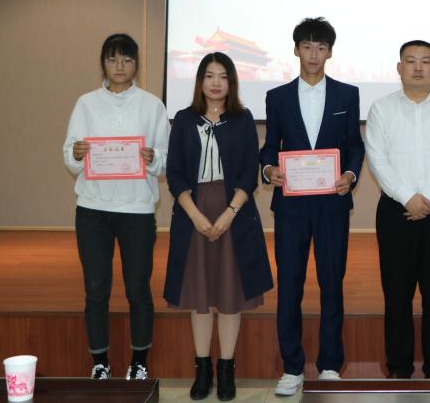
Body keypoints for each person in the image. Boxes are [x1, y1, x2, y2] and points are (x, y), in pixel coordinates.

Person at [259, 17, 365, 396]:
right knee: (290, 284)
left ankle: (330, 365)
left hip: (332, 204)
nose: (314, 54)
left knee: (331, 283)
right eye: (307, 46)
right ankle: (292, 367)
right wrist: (268, 169)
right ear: (296, 50)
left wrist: (350, 174)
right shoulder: (277, 97)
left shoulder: (347, 95)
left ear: (330, 52)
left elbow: (354, 145)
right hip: (291, 207)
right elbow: (269, 147)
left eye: (321, 47)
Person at [163, 52, 274, 401]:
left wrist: (228, 214)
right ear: (200, 81)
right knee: (199, 298)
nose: (215, 82)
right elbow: (175, 173)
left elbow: (248, 173)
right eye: (209, 75)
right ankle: (202, 369)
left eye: (222, 76)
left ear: (231, 82)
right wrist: (195, 216)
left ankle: (226, 369)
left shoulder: (243, 119)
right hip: (192, 214)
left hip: (233, 215)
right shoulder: (184, 119)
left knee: (229, 296)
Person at [62, 33, 170, 380]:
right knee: (96, 289)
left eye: (127, 59)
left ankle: (139, 362)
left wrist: (153, 159)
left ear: (137, 64)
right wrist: (75, 153)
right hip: (92, 209)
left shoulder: (152, 105)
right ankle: (100, 362)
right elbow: (69, 152)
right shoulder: (86, 104)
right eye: (112, 59)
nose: (120, 66)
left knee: (138, 289)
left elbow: (166, 160)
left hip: (137, 209)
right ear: (103, 64)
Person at [365, 40, 430, 379]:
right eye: (410, 61)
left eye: (425, 61)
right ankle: (399, 367)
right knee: (396, 294)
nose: (418, 67)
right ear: (399, 68)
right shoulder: (381, 109)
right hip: (395, 211)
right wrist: (407, 197)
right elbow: (377, 158)